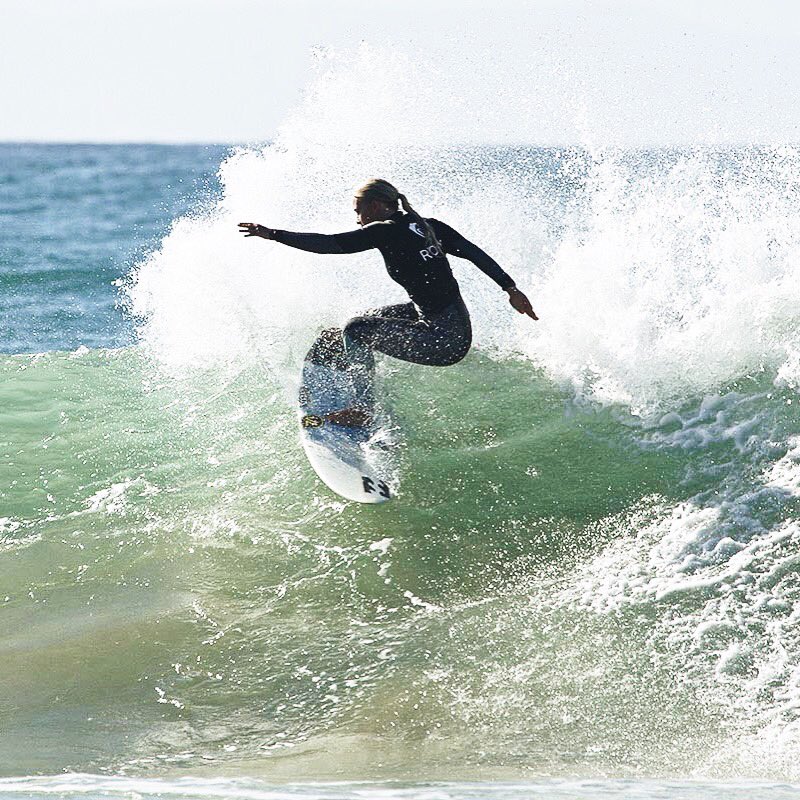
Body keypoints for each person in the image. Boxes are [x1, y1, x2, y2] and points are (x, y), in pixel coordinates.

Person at [238, 179, 537, 426]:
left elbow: (330, 244)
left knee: (356, 330)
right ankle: (358, 369)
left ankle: (363, 408)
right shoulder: (428, 226)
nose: (357, 219)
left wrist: (273, 234)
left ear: (376, 207)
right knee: (359, 321)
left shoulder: (385, 231)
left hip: (444, 341)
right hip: (448, 326)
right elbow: (475, 253)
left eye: (359, 211)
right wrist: (510, 289)